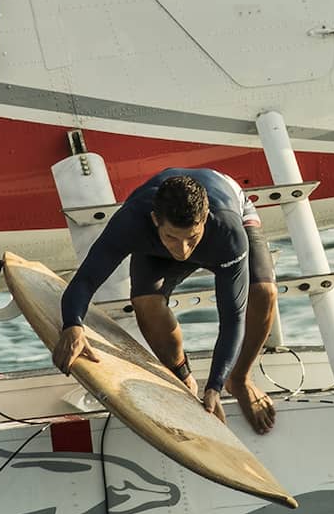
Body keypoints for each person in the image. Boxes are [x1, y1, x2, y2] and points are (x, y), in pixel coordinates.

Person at [52, 168, 278, 434]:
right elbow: (86, 280)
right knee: (146, 304)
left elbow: (232, 316)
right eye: (173, 237)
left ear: (204, 218)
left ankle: (239, 379)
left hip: (229, 209)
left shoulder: (227, 230)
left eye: (191, 239)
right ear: (155, 219)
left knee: (263, 292)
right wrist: (72, 324)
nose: (182, 250)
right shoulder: (132, 221)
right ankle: (184, 381)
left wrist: (215, 385)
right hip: (155, 242)